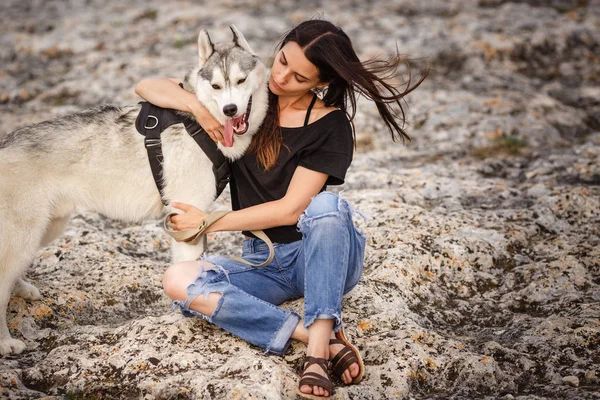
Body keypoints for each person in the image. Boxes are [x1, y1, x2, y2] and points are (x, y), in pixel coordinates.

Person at [135, 19, 427, 399]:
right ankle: (311, 333)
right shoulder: (246, 95)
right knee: (178, 280)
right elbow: (146, 87)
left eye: (299, 76)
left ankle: (317, 354)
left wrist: (210, 222)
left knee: (326, 206)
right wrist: (196, 106)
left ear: (318, 83)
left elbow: (291, 210)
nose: (282, 77)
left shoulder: (331, 125)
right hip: (263, 262)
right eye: (282, 60)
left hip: (321, 254)